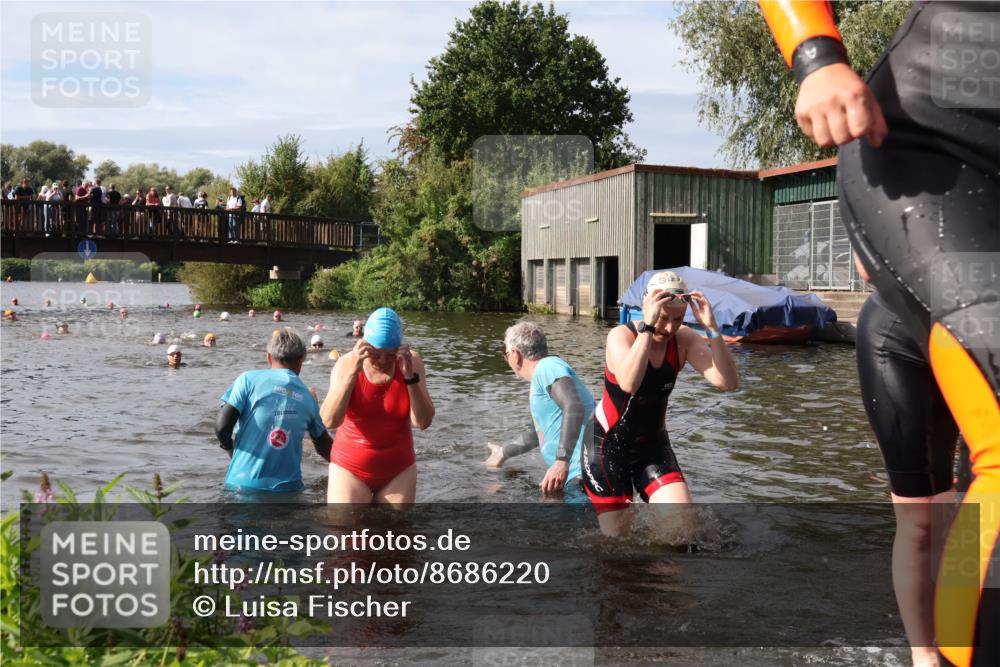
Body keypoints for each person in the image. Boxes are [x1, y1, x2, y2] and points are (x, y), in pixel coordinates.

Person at [759, 4, 999, 667]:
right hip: (933, 150)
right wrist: (817, 56)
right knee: (922, 516)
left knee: (965, 504)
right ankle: (928, 655)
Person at [582, 271, 738, 534]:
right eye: (663, 318)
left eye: (677, 320)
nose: (668, 328)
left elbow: (728, 383)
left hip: (652, 445)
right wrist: (648, 327)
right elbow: (629, 383)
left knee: (683, 531)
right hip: (607, 446)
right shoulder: (621, 336)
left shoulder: (684, 339)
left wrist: (712, 329)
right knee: (617, 542)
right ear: (647, 309)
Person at [320, 308, 434, 505]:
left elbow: (422, 422)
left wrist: (409, 378)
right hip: (349, 468)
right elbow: (329, 421)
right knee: (344, 528)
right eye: (375, 354)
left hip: (398, 470)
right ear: (365, 345)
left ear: (400, 348)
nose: (382, 361)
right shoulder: (347, 362)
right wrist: (352, 373)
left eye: (390, 355)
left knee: (398, 530)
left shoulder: (411, 361)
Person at [215, 328, 333, 493]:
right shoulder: (308, 397)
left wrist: (229, 448)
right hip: (288, 490)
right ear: (301, 360)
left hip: (242, 485)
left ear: (269, 358)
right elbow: (323, 446)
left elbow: (222, 427)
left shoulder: (247, 380)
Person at [485, 322, 596, 497]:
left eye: (506, 354)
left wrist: (561, 461)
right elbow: (536, 435)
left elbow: (574, 407)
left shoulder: (547, 367)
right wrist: (503, 453)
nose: (507, 360)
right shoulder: (543, 377)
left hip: (584, 473)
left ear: (515, 355)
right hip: (577, 475)